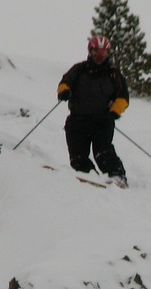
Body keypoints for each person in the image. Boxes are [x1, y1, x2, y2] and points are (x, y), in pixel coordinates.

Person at [56, 35, 130, 185]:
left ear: (108, 53)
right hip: (77, 120)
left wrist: (114, 112)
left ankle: (118, 177)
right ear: (90, 52)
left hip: (102, 121)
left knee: (103, 153)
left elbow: (123, 97)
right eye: (96, 52)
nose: (99, 57)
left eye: (103, 53)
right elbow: (64, 82)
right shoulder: (79, 69)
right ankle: (88, 175)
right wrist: (64, 91)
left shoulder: (114, 74)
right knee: (77, 156)